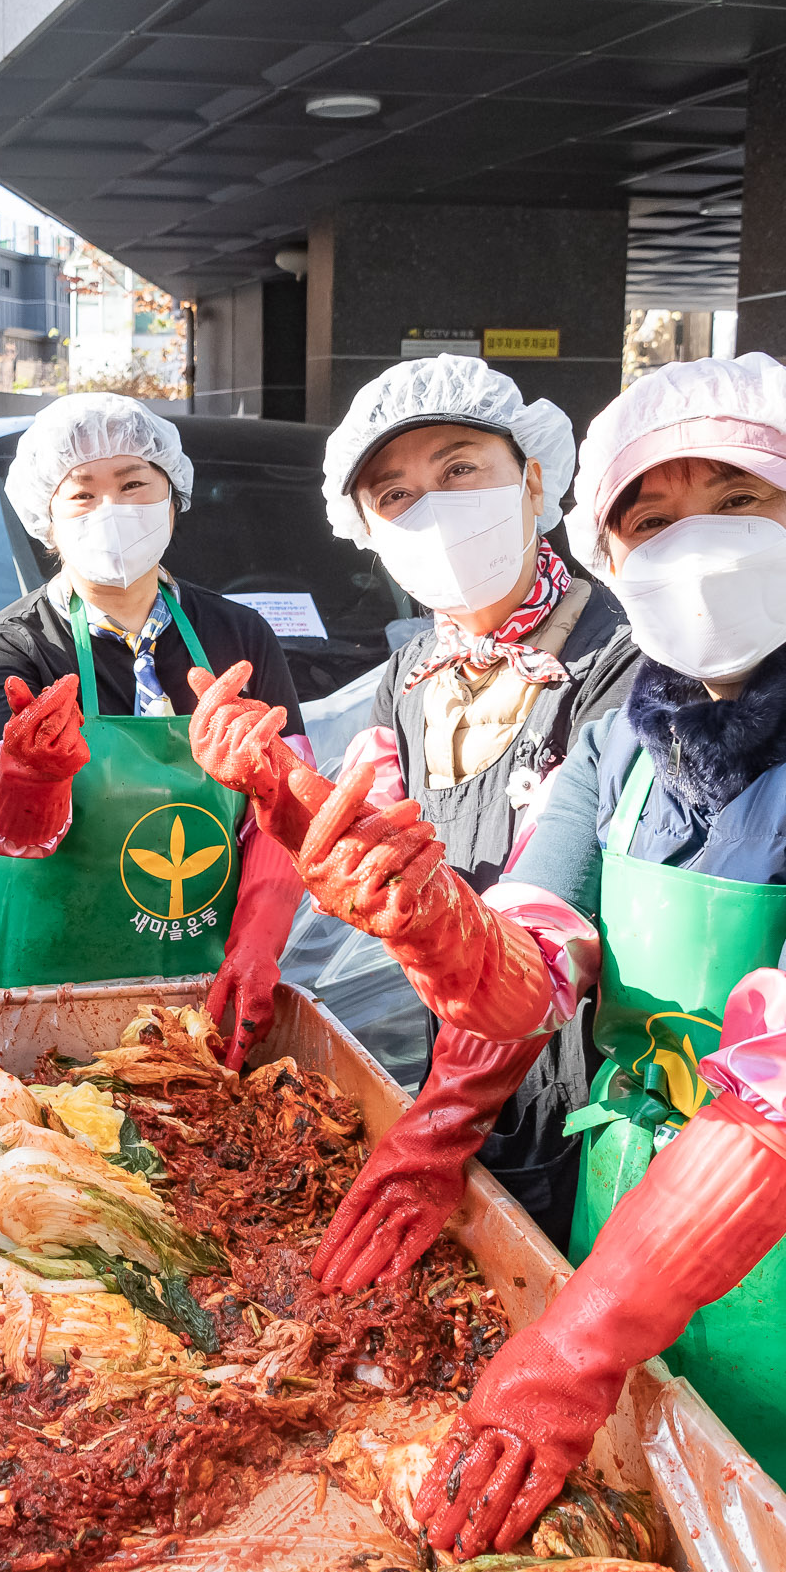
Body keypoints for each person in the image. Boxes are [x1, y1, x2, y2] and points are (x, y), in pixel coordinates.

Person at [190, 353, 786, 1572]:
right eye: (650, 517)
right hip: (641, 1270)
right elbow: (526, 971)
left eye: (739, 501)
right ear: (610, 553)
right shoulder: (623, 748)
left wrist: (566, 1350)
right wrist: (421, 917)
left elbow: (781, 1110)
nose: (690, 542)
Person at [311, 355, 638, 1249]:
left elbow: (560, 914)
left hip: (597, 1090)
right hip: (454, 1054)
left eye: (460, 470)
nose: (436, 508)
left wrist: (445, 1119)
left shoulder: (625, 665)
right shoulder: (410, 676)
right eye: (397, 495)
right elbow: (373, 845)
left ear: (534, 479)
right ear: (368, 532)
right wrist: (280, 797)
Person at [0, 393, 308, 1067]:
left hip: (198, 997)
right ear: (48, 524)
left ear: (172, 501)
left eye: (134, 484)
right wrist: (27, 782)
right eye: (82, 495)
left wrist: (260, 936)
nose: (111, 510)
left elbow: (284, 813)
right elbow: (8, 832)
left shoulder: (239, 636)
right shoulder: (10, 650)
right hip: (39, 1006)